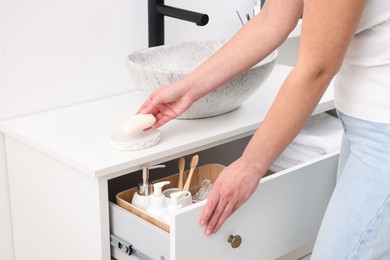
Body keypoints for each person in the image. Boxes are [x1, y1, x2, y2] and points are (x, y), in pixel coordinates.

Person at [138, 0, 390, 258]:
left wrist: (250, 165)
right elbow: (273, 19)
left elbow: (316, 69)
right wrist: (189, 88)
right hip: (362, 123)